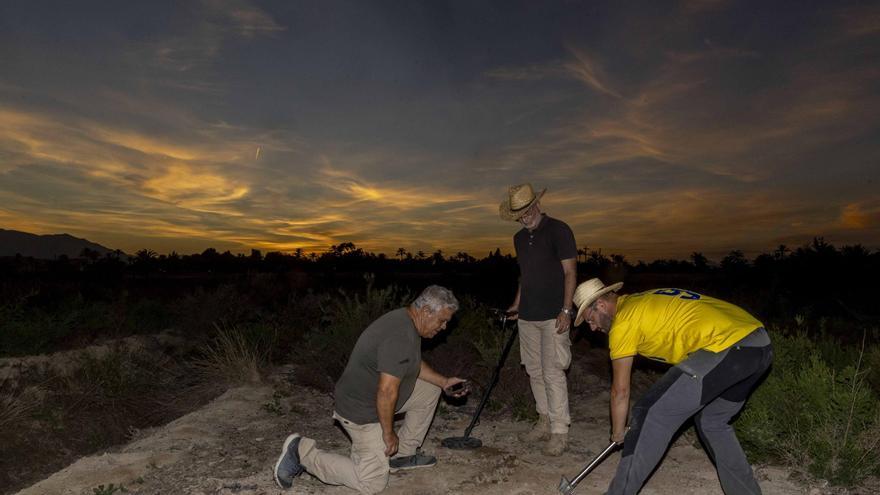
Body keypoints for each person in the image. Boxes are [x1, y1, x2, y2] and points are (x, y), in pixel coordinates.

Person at [572, 278, 773, 495]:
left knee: (650, 412)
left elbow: (620, 392)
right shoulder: (639, 301)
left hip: (727, 346)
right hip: (759, 345)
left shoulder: (623, 322)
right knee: (712, 420)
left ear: (601, 305)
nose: (592, 328)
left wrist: (618, 432)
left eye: (590, 319)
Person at [274, 285, 469, 494]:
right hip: (362, 412)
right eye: (442, 320)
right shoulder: (400, 336)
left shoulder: (406, 320)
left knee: (430, 390)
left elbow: (413, 362)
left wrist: (443, 381)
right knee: (372, 483)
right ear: (426, 311)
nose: (444, 327)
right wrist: (388, 433)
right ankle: (301, 453)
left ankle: (402, 456)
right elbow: (386, 392)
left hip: (373, 397)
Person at [500, 183, 577, 456]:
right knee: (533, 370)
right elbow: (526, 275)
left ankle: (559, 430)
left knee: (553, 371)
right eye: (518, 214)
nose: (523, 217)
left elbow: (570, 272)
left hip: (554, 315)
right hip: (528, 316)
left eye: (526, 210)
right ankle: (543, 420)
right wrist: (517, 304)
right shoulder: (519, 239)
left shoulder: (559, 230)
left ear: (537, 205)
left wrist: (566, 309)